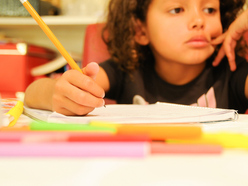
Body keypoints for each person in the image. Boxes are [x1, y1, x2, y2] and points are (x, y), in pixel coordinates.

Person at [24, 0, 248, 116]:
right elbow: (32, 94)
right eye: (177, 9)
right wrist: (56, 93)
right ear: (141, 30)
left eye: (210, 10)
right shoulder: (126, 71)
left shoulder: (233, 70)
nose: (199, 21)